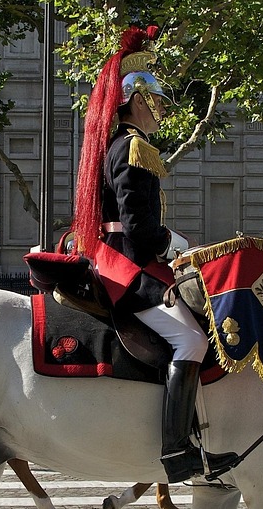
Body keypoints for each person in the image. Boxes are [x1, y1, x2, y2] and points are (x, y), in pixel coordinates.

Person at [70, 25, 235, 484]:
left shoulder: (118, 146)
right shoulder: (134, 148)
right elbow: (140, 233)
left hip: (121, 257)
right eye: (158, 102)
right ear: (137, 100)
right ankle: (175, 451)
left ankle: (198, 435)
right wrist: (176, 244)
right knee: (192, 341)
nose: (161, 111)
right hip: (126, 266)